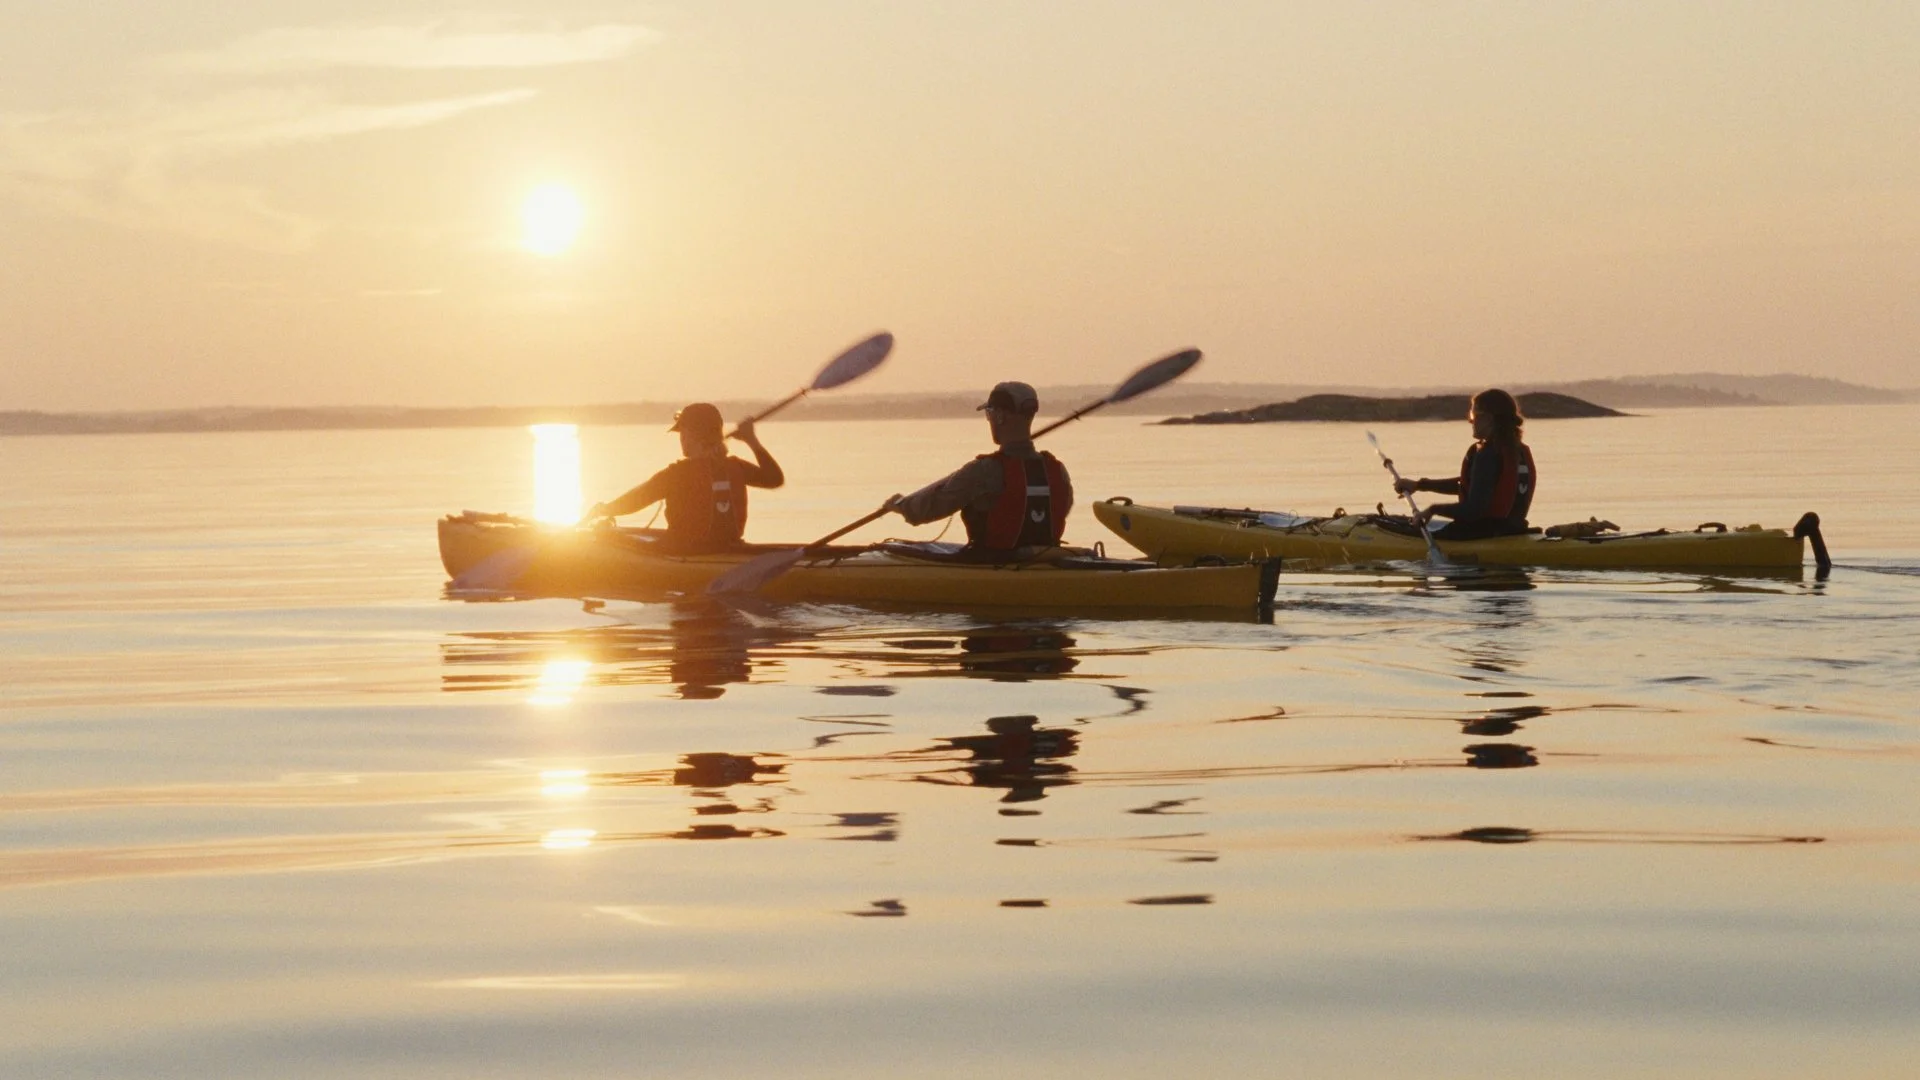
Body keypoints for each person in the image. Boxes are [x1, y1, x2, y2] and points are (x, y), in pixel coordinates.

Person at [887, 381, 1073, 555]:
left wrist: (901, 505)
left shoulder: (983, 471)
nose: (989, 419)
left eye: (989, 413)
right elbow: (1063, 509)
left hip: (993, 563)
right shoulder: (1057, 470)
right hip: (1044, 561)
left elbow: (927, 510)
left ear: (1000, 416)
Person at [585, 403, 784, 552]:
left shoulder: (677, 473)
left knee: (604, 536)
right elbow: (775, 479)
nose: (681, 439)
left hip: (682, 552)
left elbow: (636, 500)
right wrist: (752, 441)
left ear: (690, 435)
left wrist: (604, 509)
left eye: (682, 433)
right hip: (729, 549)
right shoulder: (737, 467)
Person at [1393, 388, 1536, 540]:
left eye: (1473, 415)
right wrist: (1420, 485)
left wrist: (1433, 510)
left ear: (1488, 418)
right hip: (1514, 531)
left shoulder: (1488, 454)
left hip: (1480, 534)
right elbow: (1473, 486)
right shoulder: (1518, 450)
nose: (1470, 420)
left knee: (1398, 528)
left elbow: (1473, 510)